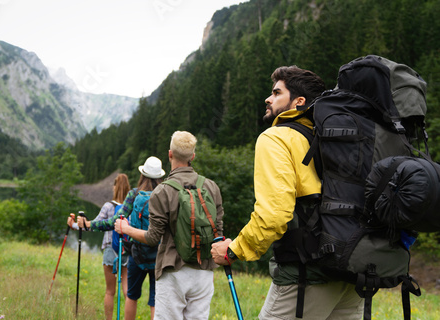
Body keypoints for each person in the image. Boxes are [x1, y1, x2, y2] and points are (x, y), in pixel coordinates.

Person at [211, 66, 364, 319]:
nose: (267, 99)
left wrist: (234, 250)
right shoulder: (332, 140)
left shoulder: (277, 138)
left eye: (276, 92)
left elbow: (274, 215)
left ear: (298, 101)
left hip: (306, 275)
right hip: (351, 273)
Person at [115, 131, 225, 320]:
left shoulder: (162, 191)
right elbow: (219, 232)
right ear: (193, 157)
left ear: (170, 154)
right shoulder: (211, 187)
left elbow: (152, 238)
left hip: (173, 269)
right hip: (204, 272)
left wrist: (126, 229)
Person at [77, 156, 165, 320]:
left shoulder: (134, 194)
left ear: (143, 174)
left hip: (136, 255)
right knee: (155, 301)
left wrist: (89, 224)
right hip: (158, 257)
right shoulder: (165, 195)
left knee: (131, 296)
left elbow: (113, 221)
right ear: (160, 176)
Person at [92, 173, 130, 320]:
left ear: (115, 187)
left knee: (110, 291)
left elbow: (95, 225)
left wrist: (77, 225)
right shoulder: (130, 207)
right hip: (126, 250)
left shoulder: (108, 206)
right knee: (127, 291)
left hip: (110, 249)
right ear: (128, 188)